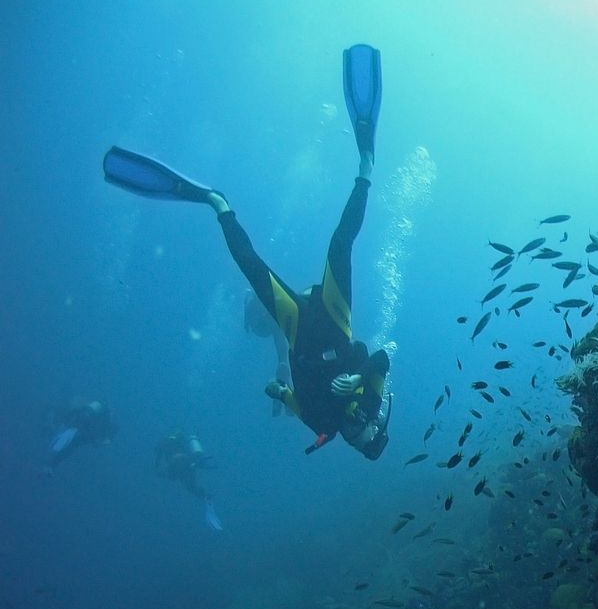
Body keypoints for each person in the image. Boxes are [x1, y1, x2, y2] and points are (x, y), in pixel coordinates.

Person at [102, 45, 392, 460]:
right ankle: (366, 166)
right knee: (339, 245)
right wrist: (358, 378)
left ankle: (217, 204)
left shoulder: (324, 425)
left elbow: (297, 405)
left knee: (249, 267)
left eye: (354, 435)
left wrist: (277, 390)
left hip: (296, 330)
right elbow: (380, 359)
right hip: (332, 316)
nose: (355, 425)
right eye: (364, 426)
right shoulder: (370, 401)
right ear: (373, 421)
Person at [155, 431, 223, 530]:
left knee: (177, 480)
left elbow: (157, 463)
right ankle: (207, 496)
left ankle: (205, 496)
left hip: (175, 464)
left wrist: (158, 471)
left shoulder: (163, 443)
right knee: (191, 486)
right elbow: (190, 451)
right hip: (188, 463)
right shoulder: (180, 440)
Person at [243, 288, 293, 417]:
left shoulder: (252, 301)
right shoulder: (253, 302)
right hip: (266, 326)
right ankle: (285, 395)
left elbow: (247, 322)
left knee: (283, 362)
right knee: (283, 361)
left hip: (265, 327)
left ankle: (283, 394)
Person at [46, 398, 117, 473]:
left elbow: (105, 440)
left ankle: (50, 465)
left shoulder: (105, 417)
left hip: (84, 429)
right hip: (83, 428)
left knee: (71, 444)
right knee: (71, 444)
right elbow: (105, 440)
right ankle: (50, 465)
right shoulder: (104, 413)